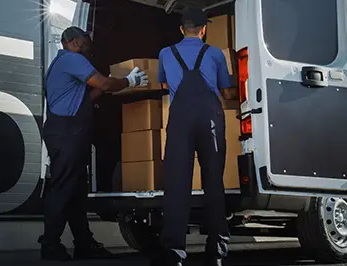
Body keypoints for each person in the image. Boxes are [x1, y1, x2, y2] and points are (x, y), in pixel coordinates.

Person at [40, 26, 148, 261]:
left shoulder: (64, 63)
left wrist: (115, 83)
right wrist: (128, 81)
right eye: (86, 40)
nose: (89, 44)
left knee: (76, 191)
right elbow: (104, 84)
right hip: (67, 132)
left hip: (67, 131)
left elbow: (87, 96)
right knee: (63, 188)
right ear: (74, 41)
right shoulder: (72, 60)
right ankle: (50, 244)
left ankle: (84, 243)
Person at [152, 9, 233, 266]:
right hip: (210, 119)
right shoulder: (215, 53)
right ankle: (217, 253)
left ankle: (174, 253)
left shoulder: (166, 53)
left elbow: (163, 84)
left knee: (177, 186)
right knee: (213, 184)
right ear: (203, 29)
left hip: (180, 121)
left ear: (181, 29)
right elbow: (227, 92)